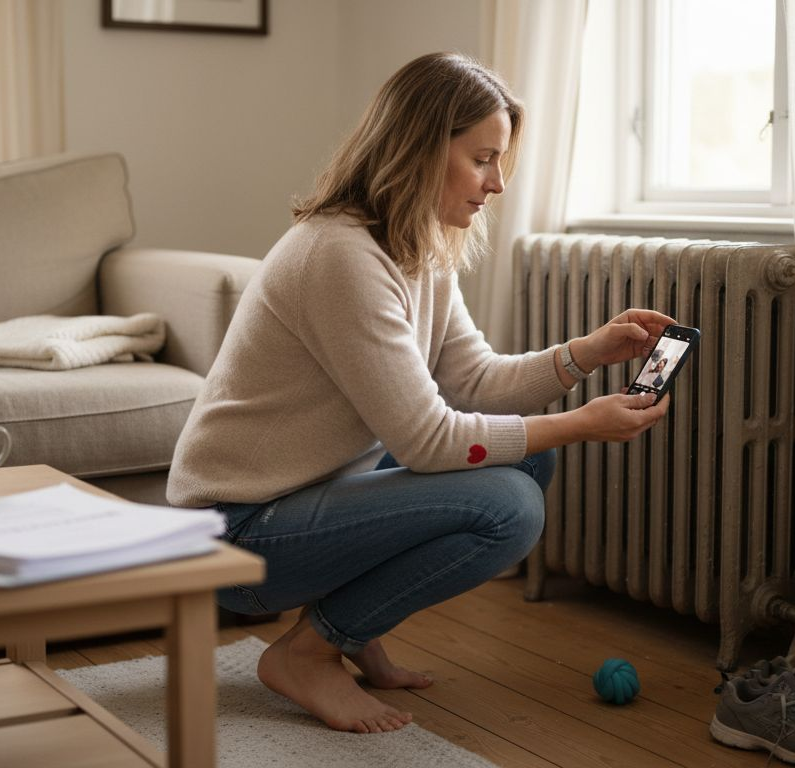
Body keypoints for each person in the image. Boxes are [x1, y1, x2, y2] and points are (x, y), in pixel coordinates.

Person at [167, 52, 673, 734]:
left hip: (304, 495)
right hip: (235, 533)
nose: (497, 184)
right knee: (509, 508)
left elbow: (476, 382)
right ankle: (309, 654)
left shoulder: (418, 246)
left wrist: (589, 351)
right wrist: (581, 423)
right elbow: (427, 440)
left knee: (526, 461)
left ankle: (346, 630)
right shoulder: (340, 254)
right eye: (483, 159)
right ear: (419, 149)